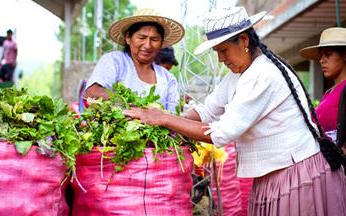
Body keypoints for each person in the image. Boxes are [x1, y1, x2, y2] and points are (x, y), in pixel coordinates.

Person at [124, 7, 346, 215]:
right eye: (217, 52)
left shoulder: (262, 74)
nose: (221, 59)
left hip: (295, 175)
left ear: (243, 40)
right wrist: (158, 121)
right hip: (273, 175)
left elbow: (221, 133)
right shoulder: (239, 75)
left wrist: (163, 119)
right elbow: (206, 112)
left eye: (223, 50)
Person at [84, 8, 184, 113]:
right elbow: (92, 92)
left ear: (161, 43)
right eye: (141, 38)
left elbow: (173, 115)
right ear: (128, 38)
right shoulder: (115, 61)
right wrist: (132, 108)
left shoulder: (167, 78)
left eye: (154, 39)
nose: (147, 45)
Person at [300, 27, 346, 149]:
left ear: (344, 56)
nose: (321, 60)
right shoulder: (329, 93)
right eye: (321, 55)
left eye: (328, 54)